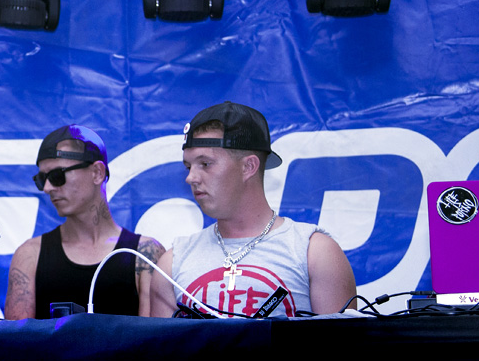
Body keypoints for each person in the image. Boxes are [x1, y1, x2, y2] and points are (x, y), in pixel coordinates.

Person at [153, 101, 357, 318]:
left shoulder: (314, 252)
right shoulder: (172, 262)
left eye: (205, 164)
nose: (190, 177)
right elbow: (156, 341)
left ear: (248, 166)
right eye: (188, 166)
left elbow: (342, 341)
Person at [5, 125, 166, 318]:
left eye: (57, 176)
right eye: (41, 178)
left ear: (97, 173)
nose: (47, 188)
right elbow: (17, 336)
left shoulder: (145, 253)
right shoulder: (29, 255)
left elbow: (155, 336)